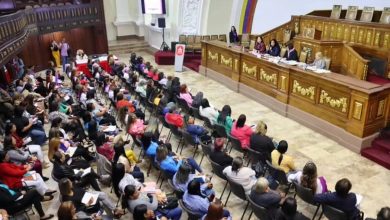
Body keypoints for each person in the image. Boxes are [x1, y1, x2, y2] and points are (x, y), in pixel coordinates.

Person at [58, 178, 123, 218]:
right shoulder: (67, 200)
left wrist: (88, 193)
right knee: (100, 202)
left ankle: (114, 209)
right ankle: (114, 212)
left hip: (87, 195)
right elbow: (76, 210)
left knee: (103, 195)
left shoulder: (72, 187)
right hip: (85, 204)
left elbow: (80, 189)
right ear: (67, 187)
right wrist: (86, 204)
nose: (71, 182)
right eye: (69, 183)